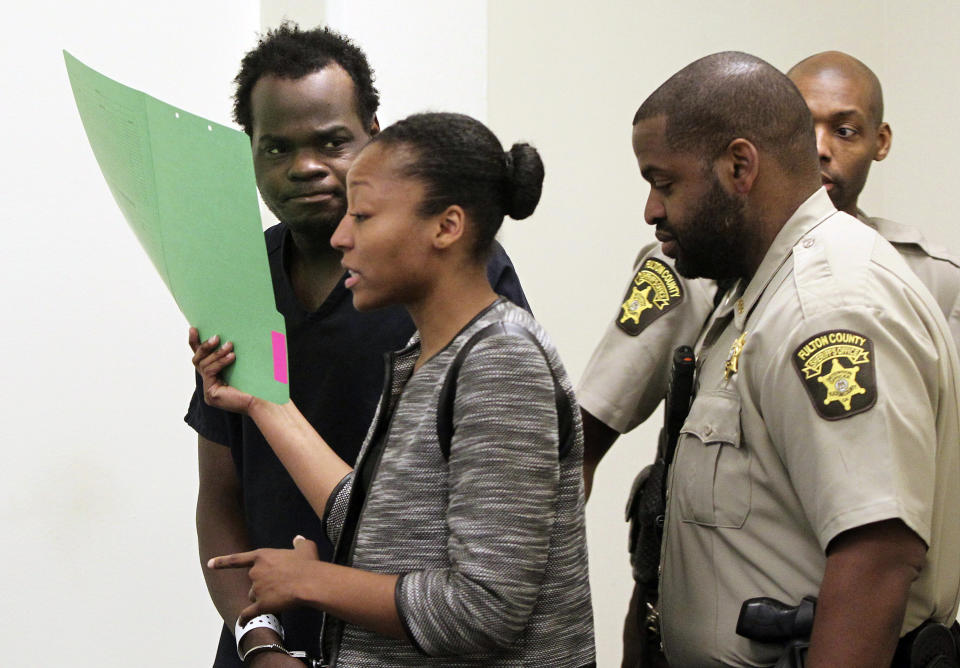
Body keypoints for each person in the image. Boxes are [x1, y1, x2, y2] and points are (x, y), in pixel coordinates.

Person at [579, 49, 960, 666]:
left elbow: (877, 554)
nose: (651, 209)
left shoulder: (828, 305)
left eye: (664, 182)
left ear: (739, 167)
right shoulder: (753, 291)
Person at [192, 112, 595, 667]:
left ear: (446, 227)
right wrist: (262, 401)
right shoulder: (424, 358)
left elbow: (484, 609)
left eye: (363, 216)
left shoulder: (500, 361)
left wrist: (316, 582)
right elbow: (376, 524)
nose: (340, 237)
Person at [787, 51, 960, 348]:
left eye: (844, 132)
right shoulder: (723, 266)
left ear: (880, 143)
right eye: (801, 128)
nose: (819, 149)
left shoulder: (936, 280)